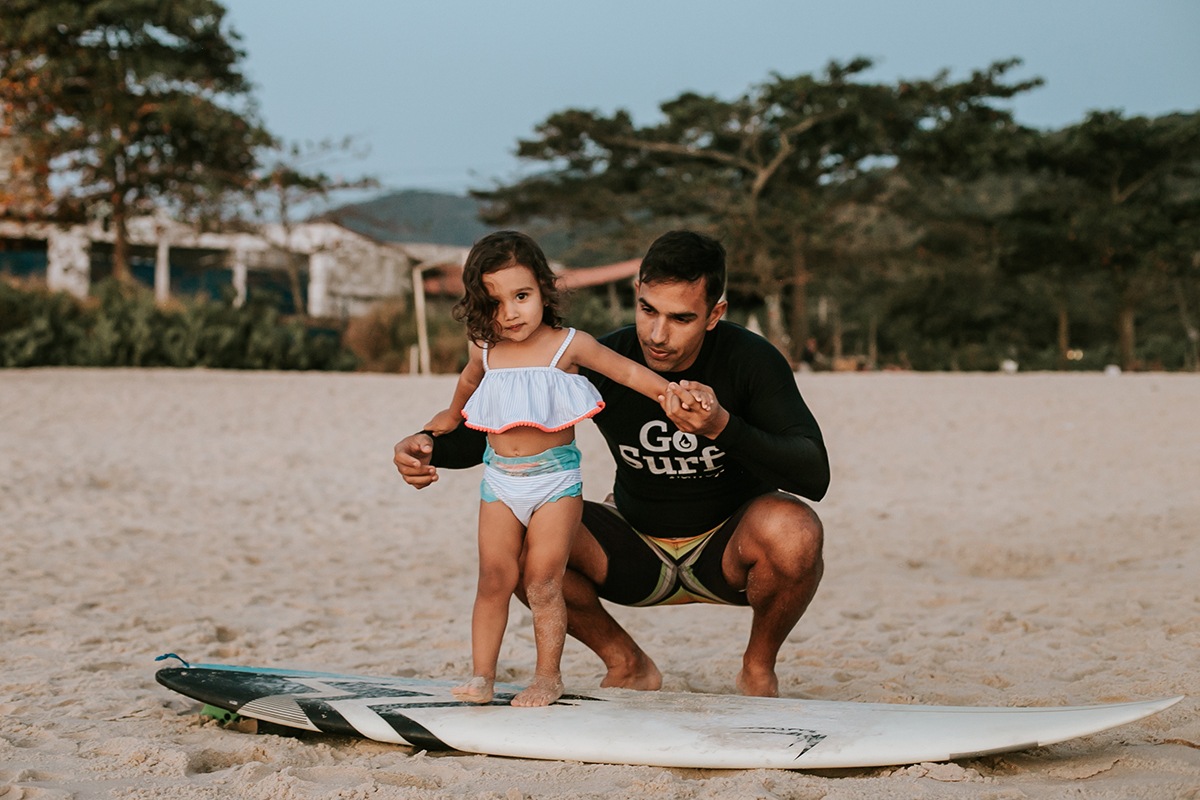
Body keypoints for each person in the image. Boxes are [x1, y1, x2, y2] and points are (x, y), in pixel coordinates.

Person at [396, 230, 829, 698]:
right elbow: (500, 425)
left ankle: (758, 669)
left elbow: (813, 473)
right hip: (632, 549)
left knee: (796, 532)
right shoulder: (602, 356)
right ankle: (626, 662)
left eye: (681, 318)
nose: (658, 335)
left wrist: (721, 425)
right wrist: (427, 447)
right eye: (648, 310)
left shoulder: (751, 360)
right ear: (636, 293)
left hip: (725, 553)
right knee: (521, 549)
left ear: (714, 314)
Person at [421, 230, 705, 708]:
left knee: (542, 582)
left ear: (544, 289)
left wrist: (671, 394)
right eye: (494, 302)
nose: (510, 312)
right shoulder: (484, 348)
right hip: (499, 482)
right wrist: (449, 418)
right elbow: (469, 384)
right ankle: (482, 676)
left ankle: (547, 677)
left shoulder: (569, 345)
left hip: (555, 483)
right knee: (493, 579)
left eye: (522, 296)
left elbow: (627, 372)